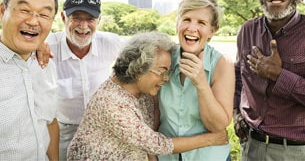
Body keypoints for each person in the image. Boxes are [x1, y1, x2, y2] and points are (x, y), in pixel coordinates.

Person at [66, 31, 229, 160]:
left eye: (168, 72)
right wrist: (212, 139)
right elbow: (157, 144)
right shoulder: (112, 103)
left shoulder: (142, 93)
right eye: (161, 72)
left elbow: (151, 128)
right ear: (139, 68)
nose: (166, 79)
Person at [233, 0, 305, 161]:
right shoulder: (248, 30)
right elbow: (238, 77)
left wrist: (278, 75)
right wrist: (236, 113)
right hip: (252, 146)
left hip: (295, 151)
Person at [45, 0, 124, 160]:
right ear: (64, 18)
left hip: (103, 129)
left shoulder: (112, 43)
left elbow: (145, 54)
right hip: (63, 131)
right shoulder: (46, 46)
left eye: (90, 19)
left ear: (99, 20)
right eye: (77, 18)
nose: (83, 25)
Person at [157, 0, 235, 161]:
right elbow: (153, 114)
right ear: (177, 24)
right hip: (167, 157)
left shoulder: (222, 64)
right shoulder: (163, 59)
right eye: (186, 19)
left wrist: (201, 83)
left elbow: (218, 125)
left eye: (201, 23)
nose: (191, 28)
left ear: (212, 31)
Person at [0, 0, 59, 160]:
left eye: (44, 15)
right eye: (25, 10)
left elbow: (50, 122)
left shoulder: (45, 64)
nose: (34, 21)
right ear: (3, 11)